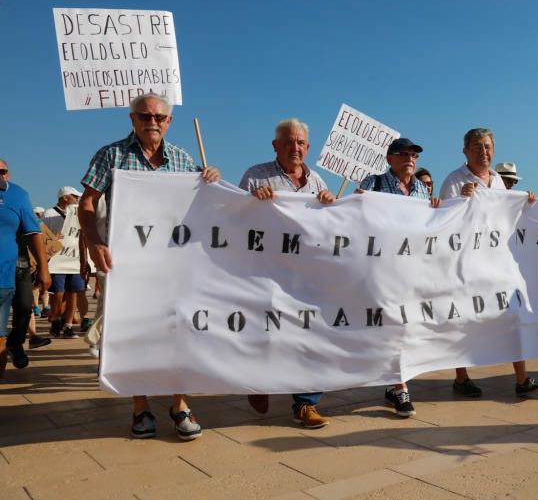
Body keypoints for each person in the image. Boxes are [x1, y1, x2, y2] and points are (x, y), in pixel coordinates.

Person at [78, 94, 220, 439]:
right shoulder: (111, 155)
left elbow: (201, 206)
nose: (152, 121)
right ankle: (140, 407)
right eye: (144, 115)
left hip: (174, 265)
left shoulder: (185, 159)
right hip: (128, 263)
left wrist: (210, 180)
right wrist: (95, 242)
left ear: (169, 122)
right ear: (132, 118)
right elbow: (88, 201)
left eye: (159, 116)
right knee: (134, 331)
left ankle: (179, 404)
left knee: (179, 329)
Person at [238, 117, 335, 429]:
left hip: (305, 275)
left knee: (309, 337)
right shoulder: (256, 176)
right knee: (267, 334)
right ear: (275, 146)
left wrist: (331, 204)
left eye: (300, 142)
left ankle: (306, 404)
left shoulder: (318, 182)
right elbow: (232, 219)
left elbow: (330, 226)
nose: (295, 147)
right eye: (289, 142)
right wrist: (251, 203)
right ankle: (259, 381)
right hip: (265, 273)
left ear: (308, 147)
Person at [439, 128, 538, 397]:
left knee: (512, 315)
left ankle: (522, 379)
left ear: (493, 150)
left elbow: (508, 219)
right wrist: (460, 200)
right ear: (465, 151)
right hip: (466, 264)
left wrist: (526, 205)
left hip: (498, 262)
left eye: (487, 146)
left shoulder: (498, 181)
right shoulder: (454, 181)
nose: (482, 151)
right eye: (476, 146)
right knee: (464, 322)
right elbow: (441, 222)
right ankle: (461, 378)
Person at [357, 137, 440, 417]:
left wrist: (438, 209)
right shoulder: (374, 184)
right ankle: (400, 387)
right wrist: (354, 203)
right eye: (403, 154)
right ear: (389, 159)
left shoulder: (420, 190)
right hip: (383, 268)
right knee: (394, 325)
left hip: (413, 270)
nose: (410, 159)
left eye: (414, 155)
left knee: (406, 327)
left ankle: (394, 383)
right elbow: (354, 215)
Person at [0, 159, 51, 377]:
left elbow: (34, 234)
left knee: (24, 306)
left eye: (3, 171)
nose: (0, 175)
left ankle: (16, 342)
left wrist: (43, 267)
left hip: (16, 266)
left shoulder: (17, 195)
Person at [42, 186, 88, 338]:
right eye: (75, 196)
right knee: (58, 294)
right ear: (65, 197)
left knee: (73, 293)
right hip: (57, 260)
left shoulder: (77, 213)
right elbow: (42, 236)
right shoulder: (49, 214)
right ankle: (56, 320)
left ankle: (68, 325)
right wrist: (53, 237)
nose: (78, 199)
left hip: (74, 258)